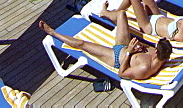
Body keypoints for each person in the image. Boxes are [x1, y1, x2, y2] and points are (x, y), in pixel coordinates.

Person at [38, 18, 170, 81]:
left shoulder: (144, 69)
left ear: (157, 52)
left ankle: (52, 32)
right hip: (126, 46)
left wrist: (129, 52)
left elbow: (122, 73)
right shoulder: (162, 55)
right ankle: (103, 12)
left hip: (115, 57)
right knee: (121, 14)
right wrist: (139, 46)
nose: (153, 48)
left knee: (81, 44)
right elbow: (145, 48)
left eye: (155, 48)